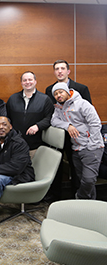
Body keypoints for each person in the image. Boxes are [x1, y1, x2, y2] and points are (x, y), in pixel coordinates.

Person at [45, 60, 92, 201]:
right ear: (54, 72)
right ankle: (55, 197)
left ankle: (78, 197)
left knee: (76, 167)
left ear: (68, 71)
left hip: (77, 136)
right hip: (57, 135)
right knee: (56, 166)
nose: (60, 71)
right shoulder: (49, 90)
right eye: (57, 69)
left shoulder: (81, 89)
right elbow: (50, 114)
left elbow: (88, 115)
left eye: (62, 68)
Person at [51, 83, 103, 199]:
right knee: (82, 180)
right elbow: (54, 121)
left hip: (91, 148)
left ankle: (79, 197)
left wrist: (91, 145)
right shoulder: (59, 108)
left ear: (68, 92)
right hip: (76, 148)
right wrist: (68, 125)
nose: (58, 95)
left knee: (89, 180)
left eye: (61, 92)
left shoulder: (82, 104)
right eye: (55, 94)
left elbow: (95, 123)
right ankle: (89, 206)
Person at [6, 71, 53, 158]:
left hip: (35, 146)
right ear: (21, 83)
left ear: (35, 81)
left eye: (30, 80)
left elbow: (50, 118)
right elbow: (7, 118)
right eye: (25, 80)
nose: (27, 82)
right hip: (15, 145)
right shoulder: (13, 99)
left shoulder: (45, 99)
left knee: (33, 170)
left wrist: (38, 126)